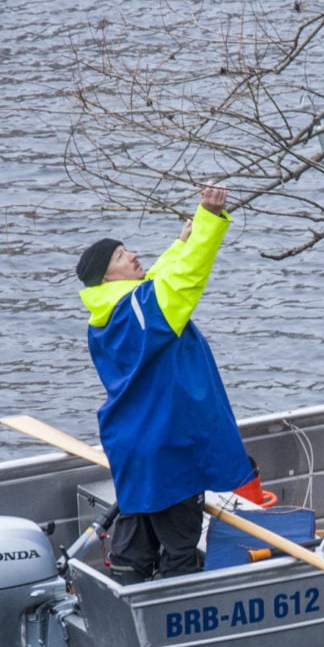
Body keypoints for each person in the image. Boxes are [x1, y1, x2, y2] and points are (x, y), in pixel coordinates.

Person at [75, 184, 254, 583]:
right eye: (123, 255)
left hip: (134, 454)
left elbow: (157, 282)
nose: (135, 254)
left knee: (134, 549)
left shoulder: (106, 315)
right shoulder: (144, 309)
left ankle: (121, 611)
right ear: (108, 274)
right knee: (179, 548)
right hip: (168, 451)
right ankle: (176, 621)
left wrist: (180, 241)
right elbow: (184, 281)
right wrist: (208, 219)